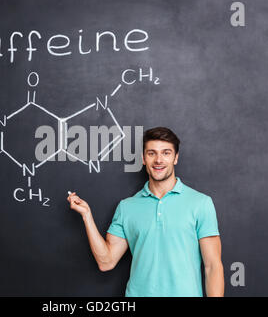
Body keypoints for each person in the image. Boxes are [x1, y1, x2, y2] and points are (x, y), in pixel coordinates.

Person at [67, 126, 224, 297]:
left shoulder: (200, 203)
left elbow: (213, 267)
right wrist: (87, 216)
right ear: (143, 158)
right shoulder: (127, 207)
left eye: (166, 153)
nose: (158, 160)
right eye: (152, 153)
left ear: (175, 158)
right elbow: (106, 262)